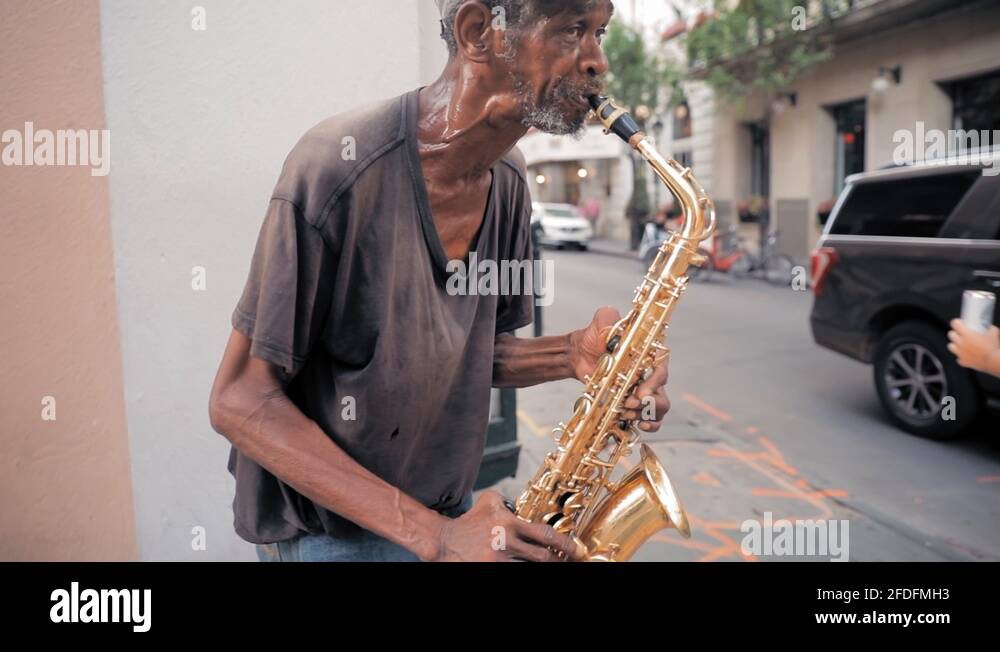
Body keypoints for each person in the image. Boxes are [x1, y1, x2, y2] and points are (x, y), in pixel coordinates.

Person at [208, 0, 673, 562]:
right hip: (329, 538)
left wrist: (574, 354)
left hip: (444, 516)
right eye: (572, 29)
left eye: (599, 32)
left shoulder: (508, 182)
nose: (598, 60)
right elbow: (239, 396)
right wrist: (437, 537)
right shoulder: (337, 166)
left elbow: (477, 353)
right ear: (479, 32)